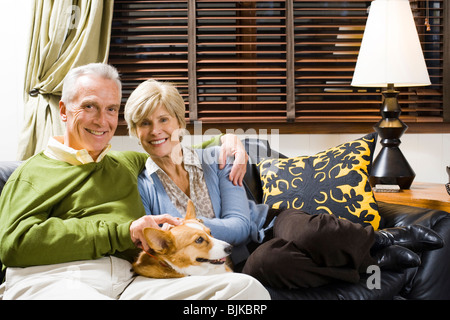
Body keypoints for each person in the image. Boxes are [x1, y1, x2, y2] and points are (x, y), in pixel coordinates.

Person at [126, 79, 444, 289]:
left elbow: (238, 226)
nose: (156, 131)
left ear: (180, 123)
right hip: (240, 261)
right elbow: (157, 245)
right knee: (273, 262)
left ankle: (383, 239)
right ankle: (374, 261)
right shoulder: (144, 186)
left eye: (163, 119)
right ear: (134, 131)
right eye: (144, 123)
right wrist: (188, 239)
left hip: (269, 224)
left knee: (309, 231)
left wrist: (188, 231)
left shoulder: (217, 157)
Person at [0, 63, 270, 300]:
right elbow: (13, 243)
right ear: (63, 110)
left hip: (131, 281)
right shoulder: (33, 173)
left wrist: (228, 141)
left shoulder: (123, 163)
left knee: (246, 290)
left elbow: (171, 145)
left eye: (111, 109)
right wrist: (123, 232)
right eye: (89, 106)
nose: (102, 120)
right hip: (59, 277)